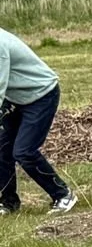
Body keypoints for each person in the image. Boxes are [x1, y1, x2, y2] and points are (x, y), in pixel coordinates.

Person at [0, 29, 76, 216]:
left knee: (24, 152)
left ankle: (63, 195)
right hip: (16, 97)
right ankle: (8, 203)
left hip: (41, 95)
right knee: (2, 149)